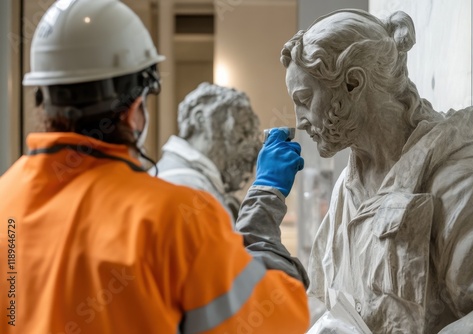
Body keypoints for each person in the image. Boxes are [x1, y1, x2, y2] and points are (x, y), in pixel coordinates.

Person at [0, 0, 309, 333]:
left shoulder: (6, 201)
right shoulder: (175, 218)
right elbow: (278, 319)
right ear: (135, 109)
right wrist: (266, 197)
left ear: (42, 97)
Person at [241, 8, 473, 333]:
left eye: (305, 99)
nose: (300, 121)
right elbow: (322, 299)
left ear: (352, 83)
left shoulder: (464, 179)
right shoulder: (346, 189)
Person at [153, 83, 261, 221]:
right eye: (242, 130)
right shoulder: (189, 187)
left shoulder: (189, 179)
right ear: (201, 119)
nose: (251, 146)